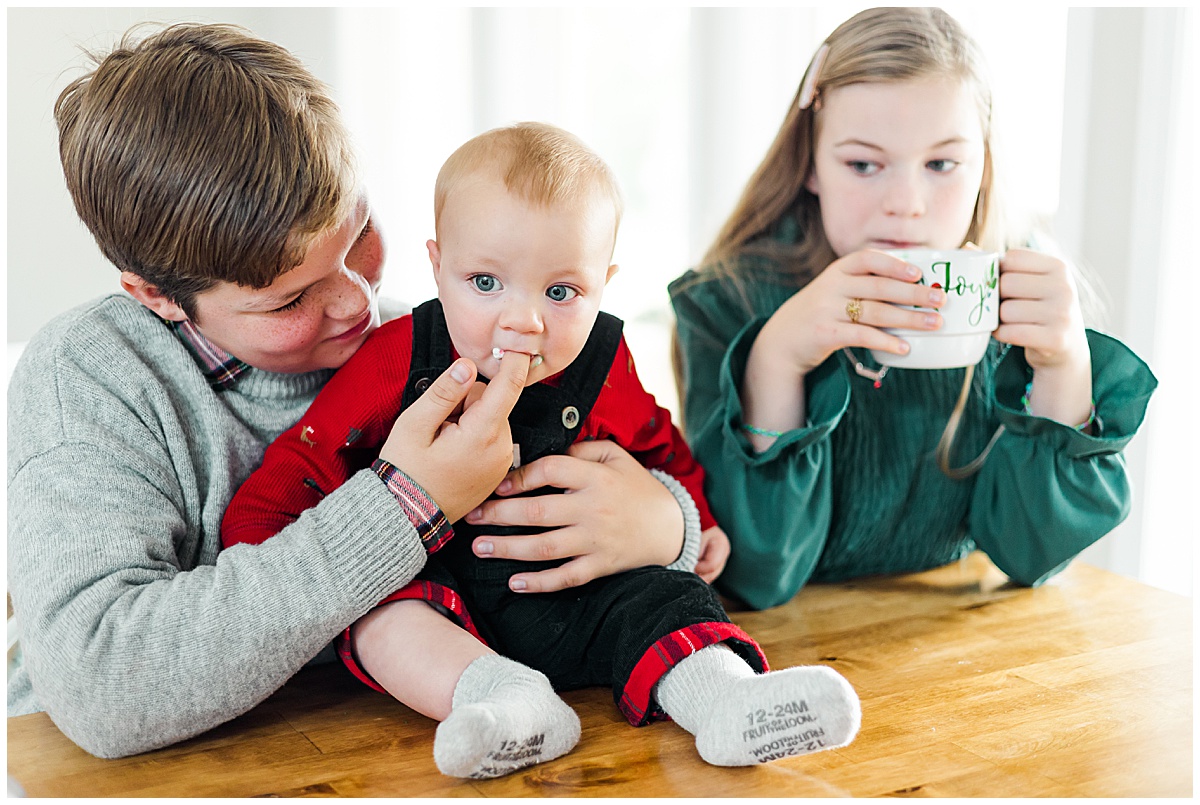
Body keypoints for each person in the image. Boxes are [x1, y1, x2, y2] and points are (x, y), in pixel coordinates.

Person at [8, 23, 712, 760]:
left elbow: (610, 465)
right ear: (157, 296)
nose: (355, 303)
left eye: (359, 236)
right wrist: (404, 503)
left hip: (372, 746)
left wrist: (669, 522)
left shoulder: (421, 339)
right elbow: (104, 686)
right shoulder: (88, 378)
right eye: (290, 301)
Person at [222, 122, 862, 779]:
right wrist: (256, 544)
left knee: (668, 596)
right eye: (485, 283)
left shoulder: (606, 363)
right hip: (450, 608)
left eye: (561, 292)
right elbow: (309, 457)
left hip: (586, 589)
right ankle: (506, 705)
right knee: (381, 614)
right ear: (438, 267)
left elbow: (661, 446)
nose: (524, 320)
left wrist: (696, 517)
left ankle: (730, 702)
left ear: (603, 285)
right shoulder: (397, 357)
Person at [668, 7, 1157, 611]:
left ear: (983, 167)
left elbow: (1032, 555)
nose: (906, 203)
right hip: (788, 650)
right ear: (811, 165)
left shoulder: (1014, 292)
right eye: (863, 164)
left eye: (942, 164)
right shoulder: (726, 300)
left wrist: (1063, 368)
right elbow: (752, 571)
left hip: (951, 651)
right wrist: (776, 357)